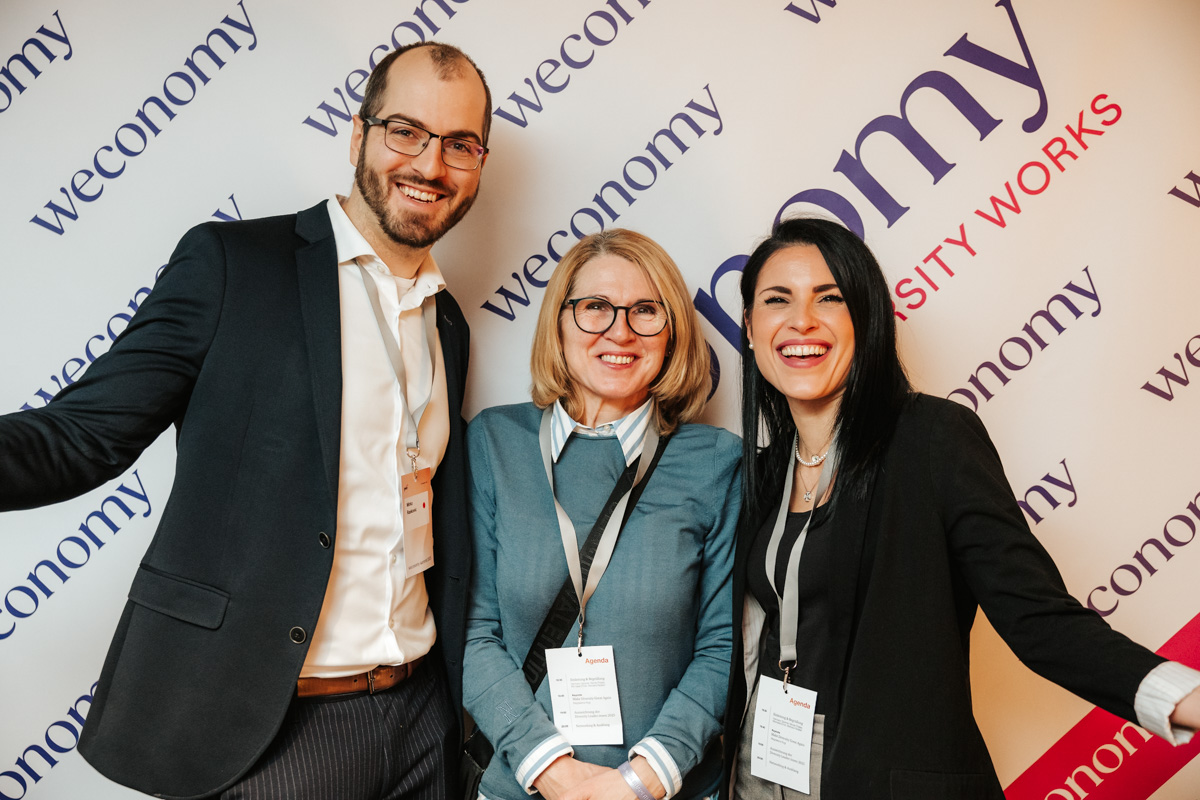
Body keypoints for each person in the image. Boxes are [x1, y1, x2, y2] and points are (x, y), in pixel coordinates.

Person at [0, 42, 493, 800]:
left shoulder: (447, 320)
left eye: (459, 144)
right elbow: (79, 436)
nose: (431, 165)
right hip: (270, 727)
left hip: (421, 718)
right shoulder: (234, 265)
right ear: (358, 135)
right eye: (406, 131)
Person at [723, 217, 1200, 799]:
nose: (801, 321)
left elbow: (1039, 619)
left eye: (831, 298)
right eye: (777, 300)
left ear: (867, 320)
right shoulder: (760, 472)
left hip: (883, 781)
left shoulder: (932, 439)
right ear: (750, 328)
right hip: (761, 770)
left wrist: (1180, 696)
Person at [464, 229, 740, 800]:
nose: (620, 331)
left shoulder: (716, 461)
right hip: (525, 785)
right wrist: (554, 771)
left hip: (666, 789)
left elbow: (723, 647)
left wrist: (638, 782)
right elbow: (475, 631)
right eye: (595, 307)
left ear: (672, 332)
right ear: (559, 322)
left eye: (646, 310)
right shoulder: (495, 441)